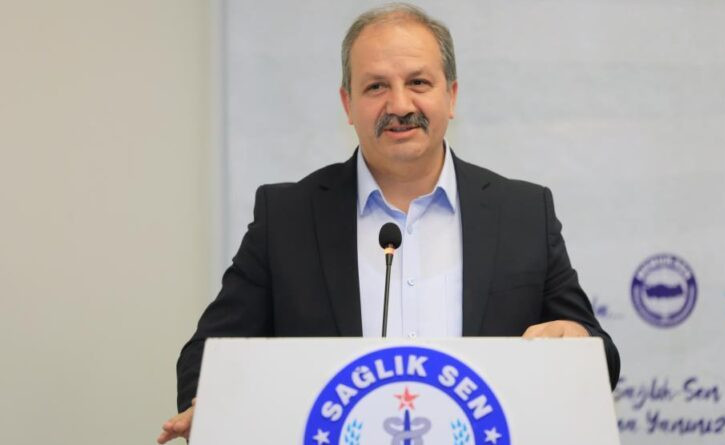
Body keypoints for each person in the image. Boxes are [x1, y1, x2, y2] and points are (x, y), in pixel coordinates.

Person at [157, 3, 620, 443]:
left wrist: (578, 341)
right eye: (376, 86)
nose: (399, 105)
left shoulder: (522, 213)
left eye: (418, 82)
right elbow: (205, 357)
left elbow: (601, 357)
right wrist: (214, 408)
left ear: (451, 95)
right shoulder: (287, 217)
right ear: (347, 104)